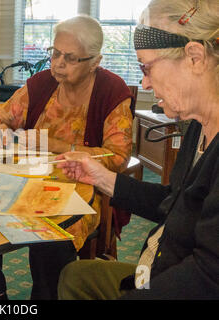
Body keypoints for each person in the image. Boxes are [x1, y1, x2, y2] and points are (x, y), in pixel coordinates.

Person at [0, 15, 135, 300]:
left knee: (50, 236)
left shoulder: (112, 92)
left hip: (82, 192)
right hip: (22, 182)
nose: (58, 63)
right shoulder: (41, 84)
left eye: (70, 58)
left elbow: (116, 157)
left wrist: (52, 143)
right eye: (55, 53)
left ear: (95, 61)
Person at [57, 0, 218, 299]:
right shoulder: (197, 126)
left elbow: (209, 277)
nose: (143, 83)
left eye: (147, 66)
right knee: (75, 276)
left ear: (195, 58)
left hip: (182, 281)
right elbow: (175, 201)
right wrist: (101, 178)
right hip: (158, 267)